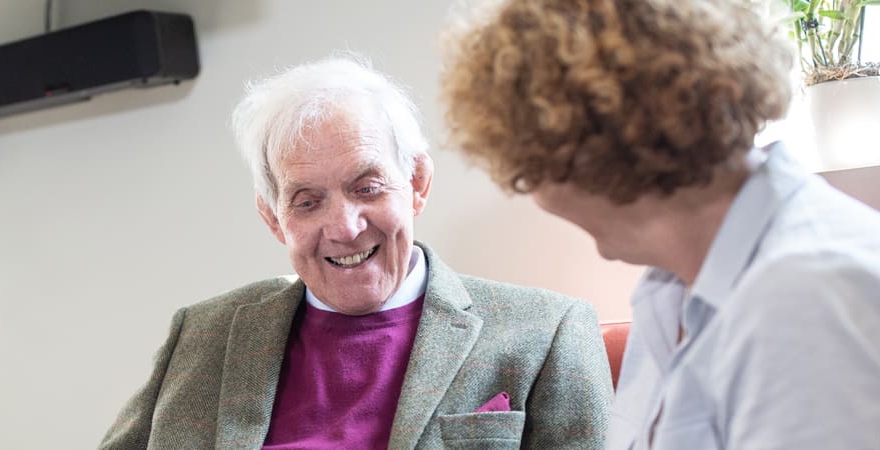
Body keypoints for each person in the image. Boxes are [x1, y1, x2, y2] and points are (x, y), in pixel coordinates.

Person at [439, 0, 880, 449]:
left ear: (590, 150)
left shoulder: (807, 294)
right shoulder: (676, 285)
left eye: (526, 160)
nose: (528, 189)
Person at [100, 55, 612, 449]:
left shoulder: (547, 332)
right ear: (274, 218)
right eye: (307, 201)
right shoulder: (201, 335)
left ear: (416, 183)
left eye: (367, 188)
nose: (344, 228)